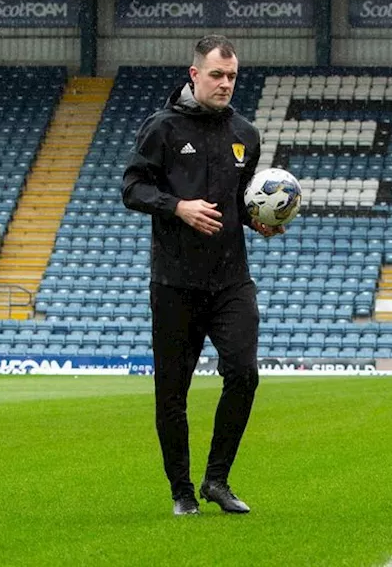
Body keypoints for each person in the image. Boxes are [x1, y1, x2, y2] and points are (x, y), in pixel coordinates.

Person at [122, 34, 283, 516]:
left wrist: (257, 220)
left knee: (244, 374)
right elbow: (132, 187)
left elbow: (237, 200)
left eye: (232, 76)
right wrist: (178, 207)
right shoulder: (162, 128)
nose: (225, 83)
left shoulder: (246, 135)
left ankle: (217, 479)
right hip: (175, 283)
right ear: (195, 75)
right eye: (216, 74)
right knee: (173, 392)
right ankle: (181, 491)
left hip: (231, 279)